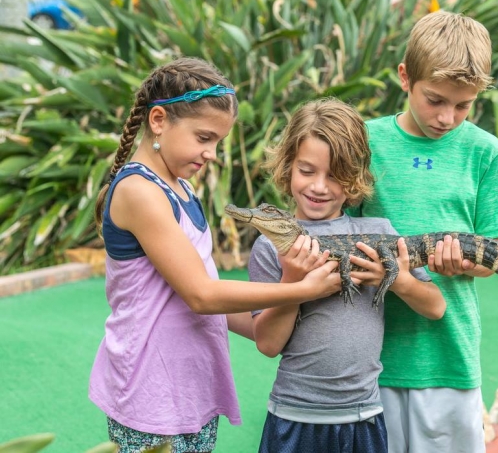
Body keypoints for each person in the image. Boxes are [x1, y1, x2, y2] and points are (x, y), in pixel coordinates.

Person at [89, 57, 344, 453]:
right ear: (158, 121)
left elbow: (200, 302)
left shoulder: (182, 188)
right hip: (150, 391)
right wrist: (300, 289)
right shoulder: (140, 191)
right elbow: (202, 295)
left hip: (188, 385)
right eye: (203, 137)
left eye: (218, 142)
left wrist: (267, 325)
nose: (211, 153)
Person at [346, 11, 498, 453]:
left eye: (463, 105)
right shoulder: (365, 140)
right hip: (369, 356)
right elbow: (340, 225)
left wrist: (466, 265)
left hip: (449, 354)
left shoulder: (483, 150)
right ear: (405, 77)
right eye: (435, 100)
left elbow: (493, 256)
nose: (447, 117)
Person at [248, 98, 446, 453]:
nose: (319, 187)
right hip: (293, 413)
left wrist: (395, 277)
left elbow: (435, 307)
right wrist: (294, 280)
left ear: (354, 177)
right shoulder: (270, 247)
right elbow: (268, 344)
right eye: (307, 171)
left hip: (363, 415)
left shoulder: (380, 230)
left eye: (335, 175)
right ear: (288, 166)